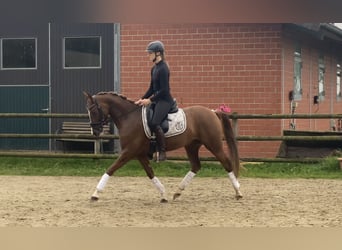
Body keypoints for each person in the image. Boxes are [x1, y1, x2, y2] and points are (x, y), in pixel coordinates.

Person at [135, 40, 174, 161]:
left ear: (158, 53)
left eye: (150, 53)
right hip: (157, 100)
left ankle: (162, 152)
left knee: (154, 122)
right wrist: (142, 99)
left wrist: (150, 100)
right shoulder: (154, 69)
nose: (148, 55)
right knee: (146, 121)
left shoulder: (163, 68)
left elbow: (164, 90)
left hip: (165, 101)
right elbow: (152, 88)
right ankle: (150, 150)